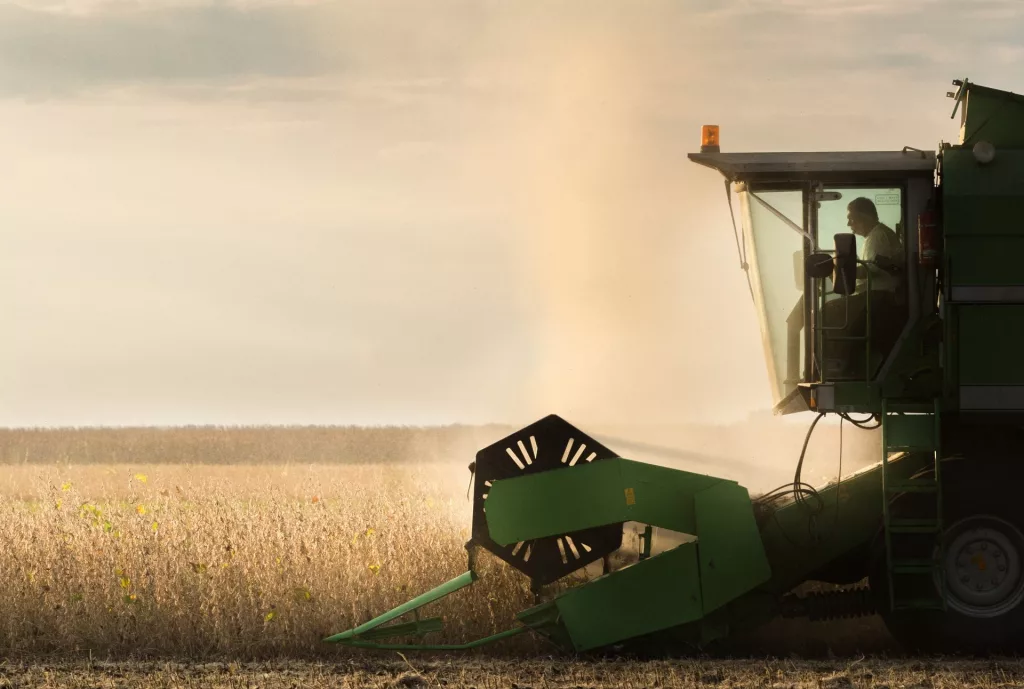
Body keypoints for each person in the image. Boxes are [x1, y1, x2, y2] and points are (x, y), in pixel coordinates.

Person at [823, 197, 905, 378]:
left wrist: (840, 270)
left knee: (830, 311)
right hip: (874, 297)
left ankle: (838, 367)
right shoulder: (875, 235)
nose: (848, 224)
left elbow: (871, 270)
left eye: (851, 218)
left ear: (865, 217)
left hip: (879, 298)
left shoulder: (879, 236)